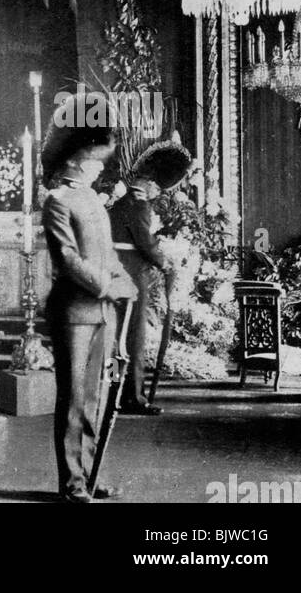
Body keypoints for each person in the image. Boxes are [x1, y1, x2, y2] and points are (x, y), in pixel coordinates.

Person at [41, 93, 137, 503]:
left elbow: (106, 252)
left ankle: (91, 475)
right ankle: (72, 483)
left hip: (102, 313)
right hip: (74, 312)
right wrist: (107, 284)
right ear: (76, 159)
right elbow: (67, 259)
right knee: (74, 400)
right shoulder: (58, 202)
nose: (100, 166)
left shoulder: (93, 201)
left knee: (96, 398)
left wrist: (122, 278)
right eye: (95, 159)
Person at [111, 141, 192, 415]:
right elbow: (145, 243)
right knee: (134, 337)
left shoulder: (120, 203)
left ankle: (116, 392)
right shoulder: (139, 205)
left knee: (118, 337)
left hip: (117, 275)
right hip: (133, 277)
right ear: (148, 184)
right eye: (157, 188)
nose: (157, 193)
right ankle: (133, 397)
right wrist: (165, 262)